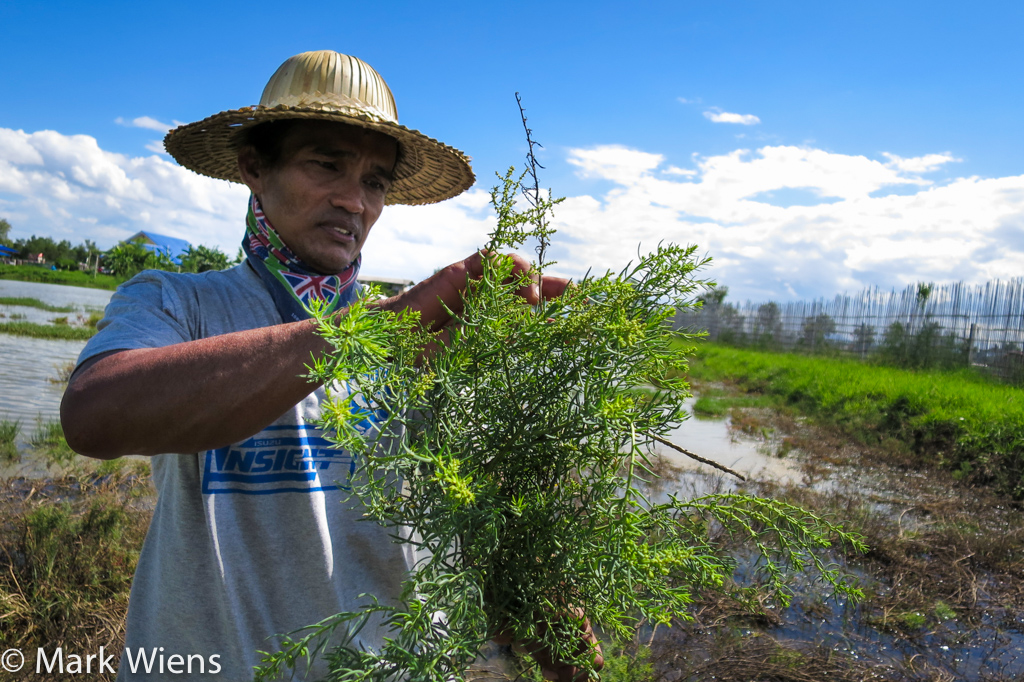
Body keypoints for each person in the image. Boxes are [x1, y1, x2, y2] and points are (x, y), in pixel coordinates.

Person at [61, 50, 600, 681]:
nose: (354, 200)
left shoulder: (433, 336)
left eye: (375, 180)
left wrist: (558, 632)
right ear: (255, 168)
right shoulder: (177, 303)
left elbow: (486, 523)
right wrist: (372, 330)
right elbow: (93, 416)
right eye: (326, 164)